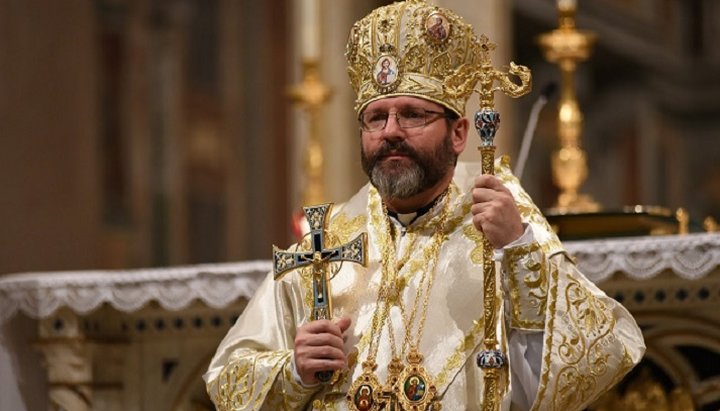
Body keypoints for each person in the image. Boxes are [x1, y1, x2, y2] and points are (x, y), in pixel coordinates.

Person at [204, 1, 645, 410]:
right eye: (376, 118)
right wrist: (294, 371)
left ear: (459, 134)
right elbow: (227, 378)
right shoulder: (325, 243)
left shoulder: (504, 222)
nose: (391, 131)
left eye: (413, 115)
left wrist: (519, 250)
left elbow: (598, 355)